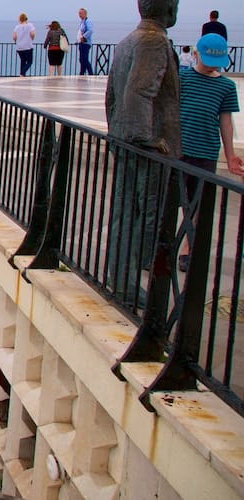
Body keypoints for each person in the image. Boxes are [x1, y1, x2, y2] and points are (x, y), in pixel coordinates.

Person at [105, 0, 181, 307]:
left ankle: (119, 277)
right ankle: (127, 281)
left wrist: (117, 132)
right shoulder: (154, 41)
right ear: (168, 8)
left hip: (124, 140)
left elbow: (111, 97)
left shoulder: (127, 41)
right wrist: (147, 140)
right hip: (144, 148)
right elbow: (139, 92)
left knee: (125, 212)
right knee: (145, 215)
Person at [176, 33, 243, 270]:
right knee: (169, 200)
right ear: (196, 54)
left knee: (197, 204)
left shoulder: (226, 86)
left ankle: (187, 248)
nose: (212, 66)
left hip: (206, 152)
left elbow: (225, 122)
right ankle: (162, 248)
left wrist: (230, 155)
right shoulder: (182, 78)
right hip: (179, 150)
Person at [77, 8, 94, 75]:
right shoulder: (83, 21)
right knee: (82, 59)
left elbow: (90, 30)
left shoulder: (87, 21)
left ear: (85, 14)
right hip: (81, 43)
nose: (79, 15)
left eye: (81, 13)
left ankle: (90, 73)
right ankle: (82, 73)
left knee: (84, 59)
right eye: (79, 13)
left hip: (86, 43)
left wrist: (83, 37)